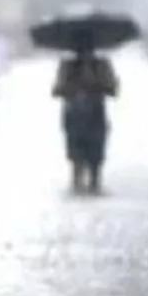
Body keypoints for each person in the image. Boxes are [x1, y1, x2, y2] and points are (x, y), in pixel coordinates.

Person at [52, 42, 118, 194]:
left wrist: (96, 83)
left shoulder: (101, 65)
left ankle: (93, 186)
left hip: (95, 116)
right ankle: (78, 186)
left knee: (95, 158)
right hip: (74, 117)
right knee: (76, 158)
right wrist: (74, 87)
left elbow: (113, 89)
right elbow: (56, 90)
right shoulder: (67, 66)